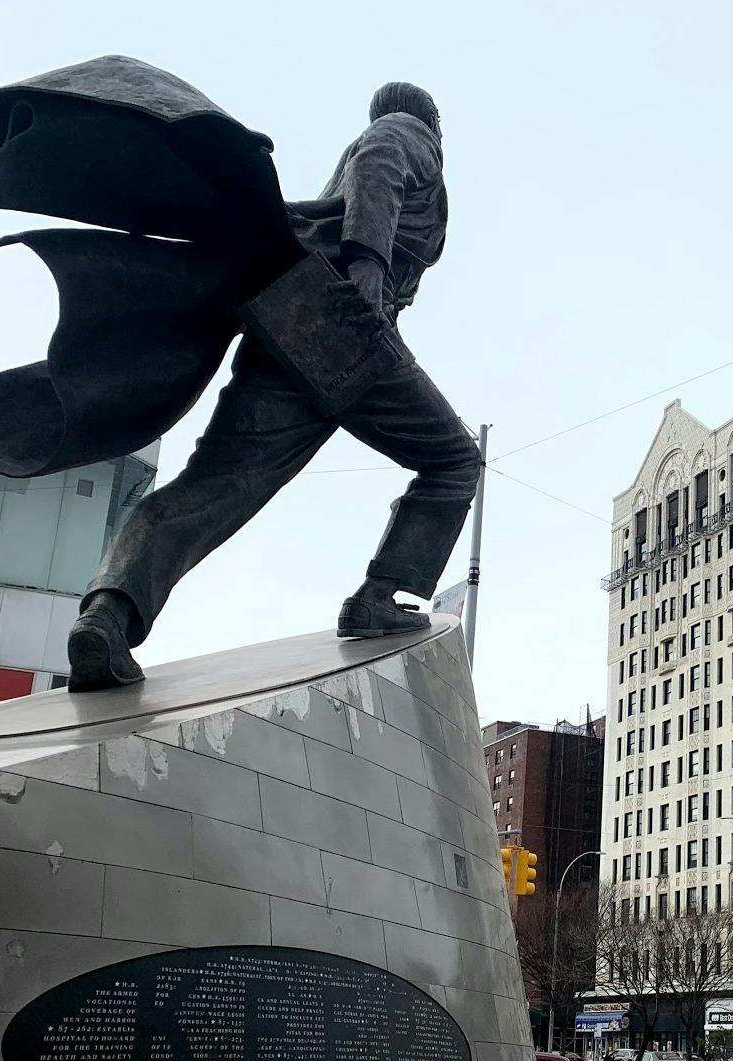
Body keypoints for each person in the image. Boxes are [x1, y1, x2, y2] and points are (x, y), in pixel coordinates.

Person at [67, 81, 478, 688]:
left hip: (289, 326)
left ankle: (109, 612)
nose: (437, 127)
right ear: (428, 117)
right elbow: (379, 165)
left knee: (213, 485)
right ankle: (380, 595)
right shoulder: (403, 132)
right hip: (347, 322)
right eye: (437, 116)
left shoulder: (346, 173)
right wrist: (368, 264)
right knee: (455, 462)